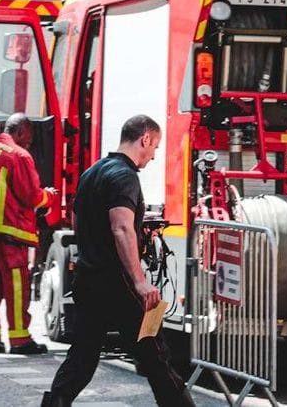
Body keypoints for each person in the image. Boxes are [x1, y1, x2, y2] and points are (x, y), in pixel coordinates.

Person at [43, 115, 195, 407]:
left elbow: (78, 219)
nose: (153, 156)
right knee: (155, 354)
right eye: (155, 147)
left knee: (83, 355)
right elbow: (121, 226)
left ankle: (55, 403)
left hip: (89, 278)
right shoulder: (125, 176)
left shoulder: (92, 173)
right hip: (118, 284)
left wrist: (96, 248)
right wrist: (139, 280)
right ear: (145, 139)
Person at [0, 113, 56, 354]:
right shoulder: (19, 156)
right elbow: (31, 196)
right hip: (11, 233)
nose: (29, 143)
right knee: (16, 287)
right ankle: (19, 340)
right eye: (28, 139)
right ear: (20, 132)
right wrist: (49, 196)